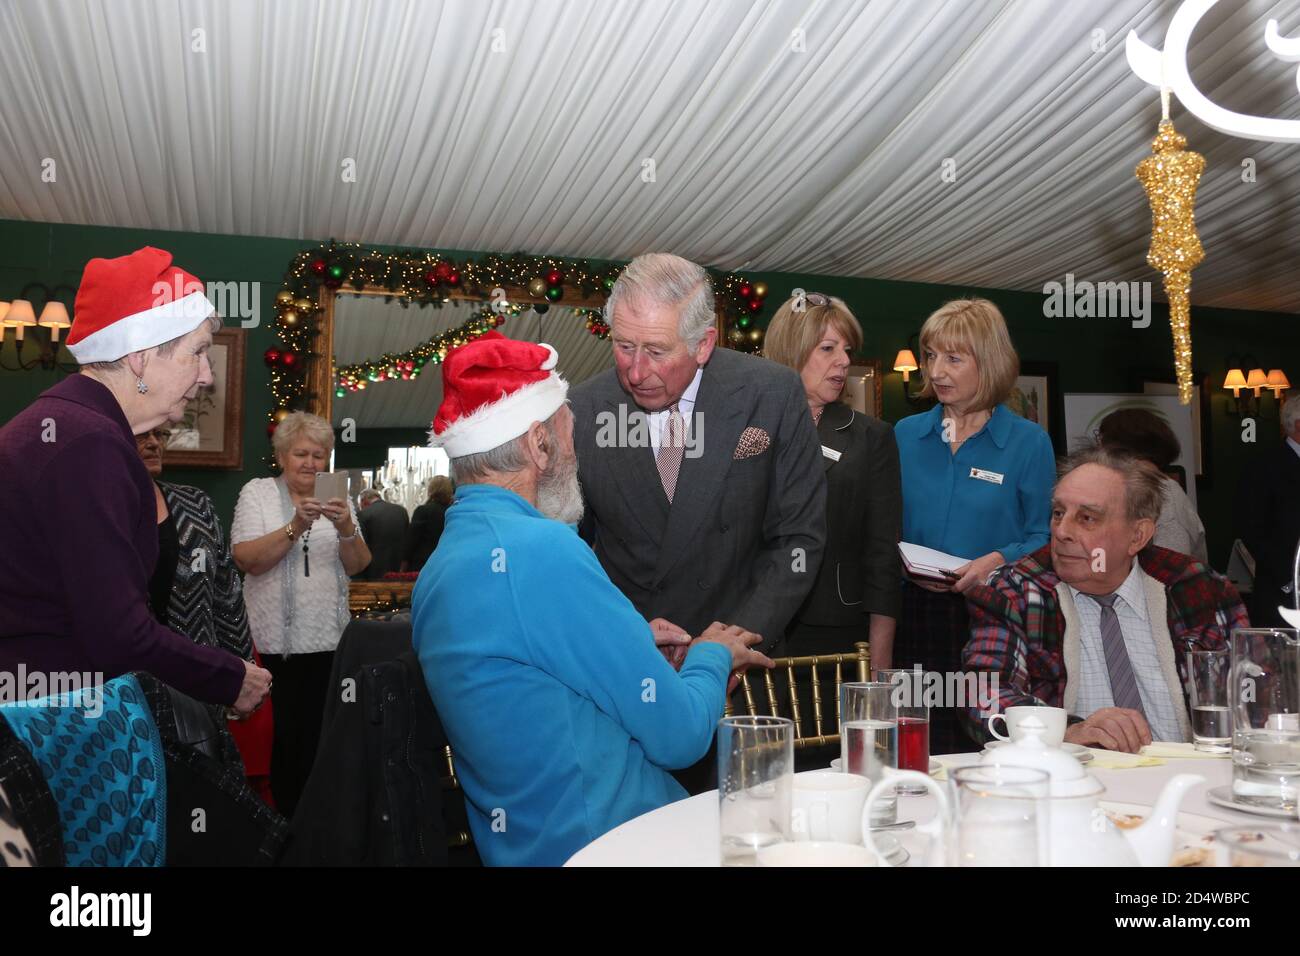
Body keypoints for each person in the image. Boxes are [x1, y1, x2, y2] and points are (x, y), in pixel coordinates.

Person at [414, 332, 772, 865]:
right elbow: (680, 736)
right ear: (538, 443)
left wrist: (628, 644)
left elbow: (534, 678)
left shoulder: (442, 566)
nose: (575, 448)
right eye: (567, 429)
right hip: (619, 844)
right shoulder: (543, 551)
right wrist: (712, 655)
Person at [0, 246, 270, 715]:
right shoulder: (89, 445)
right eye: (199, 353)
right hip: (53, 726)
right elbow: (118, 634)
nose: (207, 376)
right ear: (142, 357)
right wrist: (230, 678)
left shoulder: (69, 425)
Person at [569, 253, 827, 653]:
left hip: (738, 656)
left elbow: (798, 541)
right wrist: (624, 632)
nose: (636, 372)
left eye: (656, 351)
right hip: (631, 657)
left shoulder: (772, 393)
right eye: (624, 346)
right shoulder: (584, 410)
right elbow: (567, 550)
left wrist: (735, 640)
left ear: (703, 344)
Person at [963, 446, 1247, 752]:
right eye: (1058, 513)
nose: (1062, 532)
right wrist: (1066, 732)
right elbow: (981, 693)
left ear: (1138, 536)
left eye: (1087, 518)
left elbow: (1257, 693)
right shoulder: (1015, 589)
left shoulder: (1199, 588)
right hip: (1070, 783)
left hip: (1190, 781)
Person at [893, 298, 1056, 753]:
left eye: (954, 358)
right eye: (931, 356)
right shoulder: (904, 434)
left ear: (989, 363)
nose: (937, 370)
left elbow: (1046, 538)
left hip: (992, 620)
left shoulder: (1028, 443)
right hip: (913, 616)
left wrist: (998, 560)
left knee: (984, 746)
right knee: (915, 745)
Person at [231, 412, 372, 817]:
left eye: (319, 454)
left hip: (329, 647)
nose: (311, 463)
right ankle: (276, 837)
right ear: (281, 455)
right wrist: (295, 525)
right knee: (276, 754)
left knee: (320, 750)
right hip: (271, 649)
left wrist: (346, 527)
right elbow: (248, 559)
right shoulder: (257, 493)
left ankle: (316, 838)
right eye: (301, 454)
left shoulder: (336, 499)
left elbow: (359, 564)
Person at [134, 425, 273, 798]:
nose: (152, 443)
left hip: (197, 691)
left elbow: (226, 596)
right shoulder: (95, 509)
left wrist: (242, 671)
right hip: (122, 696)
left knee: (204, 808)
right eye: (140, 435)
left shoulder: (194, 504)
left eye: (158, 435)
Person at [763, 292, 901, 664]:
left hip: (838, 633)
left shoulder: (872, 437)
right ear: (792, 350)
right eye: (828, 348)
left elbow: (882, 556)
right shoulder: (747, 430)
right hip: (753, 626)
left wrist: (880, 656)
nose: (843, 361)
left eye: (847, 350)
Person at [1096, 408, 1207, 564]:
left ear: (1121, 447)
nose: (1098, 449)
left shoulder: (1166, 496)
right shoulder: (1126, 490)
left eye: (1102, 440)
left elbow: (1170, 573)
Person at [1237, 393, 1300, 628]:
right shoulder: (1264, 465)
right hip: (1282, 590)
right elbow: (1250, 526)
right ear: (1298, 425)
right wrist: (1288, 577)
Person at [356, 488, 410, 580]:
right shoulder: (401, 511)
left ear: (363, 501)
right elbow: (408, 539)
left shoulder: (363, 514)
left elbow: (361, 545)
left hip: (372, 569)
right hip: (398, 567)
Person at [405, 475, 453, 572]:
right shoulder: (452, 512)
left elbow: (412, 539)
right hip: (446, 562)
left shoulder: (423, 511)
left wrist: (404, 560)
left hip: (423, 562)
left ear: (430, 489)